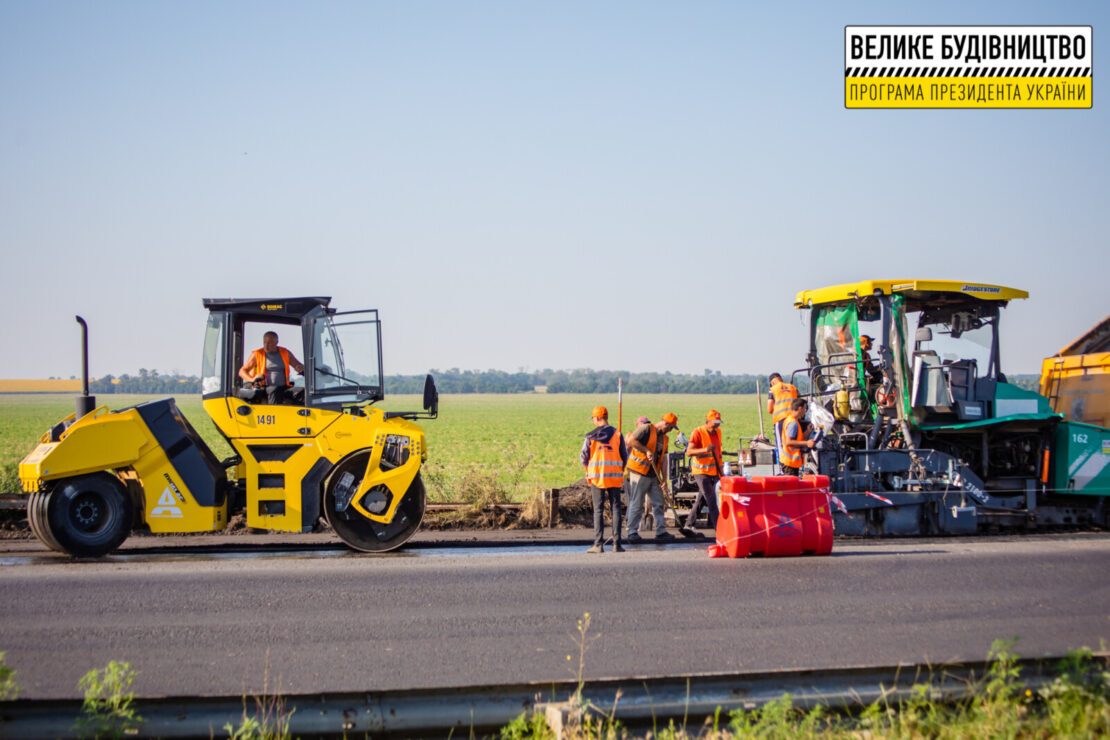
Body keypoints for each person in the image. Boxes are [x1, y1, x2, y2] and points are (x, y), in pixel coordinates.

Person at [625, 412, 680, 543]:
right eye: (670, 427)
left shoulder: (665, 439)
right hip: (639, 472)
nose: (671, 430)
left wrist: (664, 480)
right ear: (665, 423)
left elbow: (664, 460)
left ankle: (661, 531)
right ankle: (632, 531)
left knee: (659, 502)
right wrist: (646, 450)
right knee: (637, 502)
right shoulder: (646, 429)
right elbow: (631, 441)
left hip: (654, 475)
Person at [580, 405, 628, 553]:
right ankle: (617, 544)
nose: (594, 421)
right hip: (614, 477)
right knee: (615, 509)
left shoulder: (591, 436)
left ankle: (598, 544)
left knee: (598, 510)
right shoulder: (618, 434)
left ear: (597, 418)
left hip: (597, 477)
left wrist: (588, 470)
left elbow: (583, 456)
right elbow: (625, 456)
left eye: (594, 419)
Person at [682, 410, 724, 535]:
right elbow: (689, 452)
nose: (716, 426)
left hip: (714, 471)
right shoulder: (698, 432)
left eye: (718, 423)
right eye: (714, 423)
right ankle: (720, 529)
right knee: (711, 499)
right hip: (701, 472)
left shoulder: (718, 432)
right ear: (707, 422)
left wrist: (721, 472)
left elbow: (718, 453)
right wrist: (705, 449)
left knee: (702, 499)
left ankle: (689, 524)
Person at [238, 331, 305, 405]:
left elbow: (299, 366)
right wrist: (252, 379)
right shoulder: (257, 354)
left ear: (276, 342)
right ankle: (274, 414)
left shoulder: (285, 353)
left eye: (269, 343)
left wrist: (301, 369)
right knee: (274, 389)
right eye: (264, 342)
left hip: (283, 387)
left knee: (302, 392)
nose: (266, 345)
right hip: (265, 387)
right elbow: (242, 371)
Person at [767, 373, 799, 463]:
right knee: (793, 444)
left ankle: (783, 469)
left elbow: (769, 409)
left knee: (781, 445)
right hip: (794, 419)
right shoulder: (792, 387)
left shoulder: (772, 390)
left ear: (772, 383)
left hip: (780, 420)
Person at [780, 398, 815, 477]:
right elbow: (789, 442)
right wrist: (807, 443)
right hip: (790, 463)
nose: (805, 411)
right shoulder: (793, 423)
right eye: (805, 409)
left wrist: (807, 432)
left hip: (789, 462)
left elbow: (798, 439)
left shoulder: (791, 419)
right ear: (800, 409)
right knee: (791, 487)